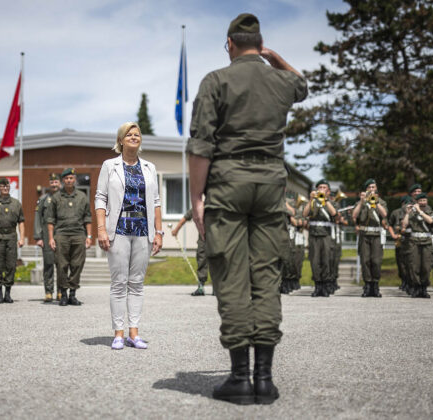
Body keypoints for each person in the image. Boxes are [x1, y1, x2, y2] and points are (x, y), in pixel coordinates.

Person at [186, 13, 307, 405]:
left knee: (232, 276)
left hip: (228, 186)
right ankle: (265, 380)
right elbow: (302, 84)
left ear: (229, 44)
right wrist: (274, 57)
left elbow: (201, 144)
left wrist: (196, 199)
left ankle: (240, 380)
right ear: (261, 43)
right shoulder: (280, 79)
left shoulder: (215, 81)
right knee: (266, 277)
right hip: (271, 187)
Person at [95, 122, 163, 350]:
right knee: (119, 283)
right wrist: (101, 229)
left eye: (137, 134)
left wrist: (159, 232)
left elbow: (155, 201)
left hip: (143, 230)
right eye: (129, 134)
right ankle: (118, 333)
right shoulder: (109, 165)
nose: (134, 137)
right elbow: (100, 198)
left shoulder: (149, 168)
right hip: (120, 228)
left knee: (137, 283)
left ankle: (134, 333)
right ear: (121, 140)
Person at [46, 168, 92, 306]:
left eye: (71, 178)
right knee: (61, 265)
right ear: (63, 181)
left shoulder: (82, 197)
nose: (69, 180)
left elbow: (87, 218)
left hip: (79, 235)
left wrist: (89, 236)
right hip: (61, 235)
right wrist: (50, 238)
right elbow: (50, 220)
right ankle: (64, 294)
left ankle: (73, 293)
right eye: (66, 178)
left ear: (75, 180)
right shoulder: (56, 198)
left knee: (77, 264)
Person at [0, 177, 25, 304]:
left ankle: (7, 293)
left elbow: (21, 222)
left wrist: (21, 238)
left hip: (11, 238)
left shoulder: (16, 203)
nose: (5, 188)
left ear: (9, 187)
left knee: (11, 266)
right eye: (2, 186)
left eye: (7, 186)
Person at [352, 179, 388, 298]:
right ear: (366, 189)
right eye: (369, 188)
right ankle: (367, 285)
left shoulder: (381, 202)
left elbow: (384, 215)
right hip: (364, 235)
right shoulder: (361, 202)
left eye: (373, 187)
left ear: (376, 188)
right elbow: (354, 215)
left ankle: (375, 285)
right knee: (365, 261)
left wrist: (376, 202)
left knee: (376, 261)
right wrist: (362, 202)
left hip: (376, 235)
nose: (371, 189)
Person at [303, 180, 337, 297]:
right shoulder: (313, 202)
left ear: (328, 191)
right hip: (314, 235)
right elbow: (304, 214)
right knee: (315, 261)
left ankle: (326, 286)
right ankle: (318, 286)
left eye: (324, 188)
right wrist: (311, 199)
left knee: (326, 260)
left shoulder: (331, 203)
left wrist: (326, 200)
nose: (322, 189)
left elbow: (334, 214)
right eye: (320, 187)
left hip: (326, 235)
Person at [34, 175, 62, 302]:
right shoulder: (43, 199)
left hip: (61, 234)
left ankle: (61, 291)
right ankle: (49, 292)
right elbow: (37, 219)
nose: (54, 184)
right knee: (49, 264)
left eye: (56, 181)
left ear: (59, 183)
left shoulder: (64, 198)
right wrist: (38, 237)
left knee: (62, 265)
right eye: (52, 182)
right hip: (46, 235)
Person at [402, 192, 433, 298]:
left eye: (424, 200)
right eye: (420, 201)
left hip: (427, 241)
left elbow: (430, 220)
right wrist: (407, 213)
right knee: (414, 265)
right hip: (414, 241)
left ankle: (423, 288)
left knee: (426, 266)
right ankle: (416, 287)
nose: (422, 202)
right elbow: (404, 225)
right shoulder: (412, 211)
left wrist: (420, 211)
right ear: (416, 202)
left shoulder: (429, 210)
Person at [171, 209, 209, 296]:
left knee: (217, 261)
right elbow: (185, 217)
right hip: (203, 239)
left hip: (217, 239)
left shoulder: (217, 205)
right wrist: (176, 230)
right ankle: (201, 286)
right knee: (201, 260)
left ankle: (217, 288)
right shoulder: (200, 206)